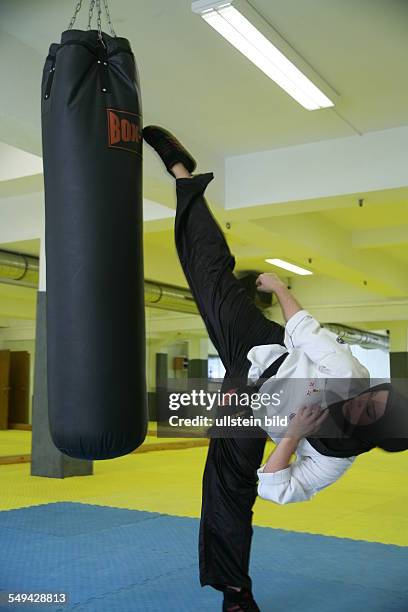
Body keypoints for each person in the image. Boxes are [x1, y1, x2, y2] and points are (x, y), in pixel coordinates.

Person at [143, 126, 408, 612]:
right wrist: (280, 286)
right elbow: (305, 330)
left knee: (226, 493)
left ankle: (235, 592)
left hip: (252, 417)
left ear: (369, 432)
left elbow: (277, 489)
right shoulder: (347, 374)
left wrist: (291, 437)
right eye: (375, 392)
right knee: (209, 281)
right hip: (264, 353)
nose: (365, 395)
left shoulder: (333, 460)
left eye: (372, 406)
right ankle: (183, 174)